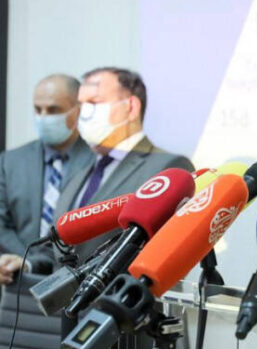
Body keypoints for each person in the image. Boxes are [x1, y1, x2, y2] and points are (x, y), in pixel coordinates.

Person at [54, 66, 194, 263]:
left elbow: (165, 252)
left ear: (131, 107)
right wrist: (27, 265)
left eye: (94, 102)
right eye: (81, 104)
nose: (83, 113)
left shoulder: (169, 168)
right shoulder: (78, 169)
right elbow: (58, 245)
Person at [0, 74, 94, 283]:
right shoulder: (10, 161)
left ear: (78, 110)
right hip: (18, 281)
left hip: (76, 284)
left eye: (53, 110)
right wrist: (30, 261)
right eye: (38, 109)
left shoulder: (97, 162)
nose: (43, 117)